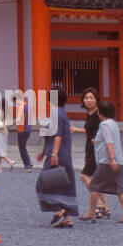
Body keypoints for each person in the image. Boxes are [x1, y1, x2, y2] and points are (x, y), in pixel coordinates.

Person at [35, 82, 79, 228]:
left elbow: (58, 136)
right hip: (61, 154)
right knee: (60, 186)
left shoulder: (56, 114)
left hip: (58, 156)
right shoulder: (60, 113)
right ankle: (67, 219)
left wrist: (53, 154)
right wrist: (43, 151)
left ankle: (59, 211)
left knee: (42, 184)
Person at [85, 102, 123, 223]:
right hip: (119, 161)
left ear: (100, 113)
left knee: (94, 186)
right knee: (119, 189)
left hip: (107, 162)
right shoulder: (114, 124)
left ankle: (92, 212)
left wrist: (111, 159)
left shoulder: (104, 125)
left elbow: (109, 142)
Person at [72, 87, 109, 219]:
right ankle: (106, 207)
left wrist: (99, 141)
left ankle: (98, 204)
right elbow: (89, 131)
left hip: (96, 149)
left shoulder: (99, 114)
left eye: (91, 98)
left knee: (84, 176)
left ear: (96, 99)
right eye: (86, 98)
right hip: (90, 147)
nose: (88, 100)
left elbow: (105, 130)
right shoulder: (89, 113)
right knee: (96, 178)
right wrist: (77, 129)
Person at [12, 92, 34, 171]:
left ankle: (27, 165)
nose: (15, 104)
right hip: (28, 129)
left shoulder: (21, 106)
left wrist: (9, 124)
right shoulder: (27, 106)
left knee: (22, 148)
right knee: (23, 147)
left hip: (22, 129)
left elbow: (18, 119)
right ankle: (28, 162)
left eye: (14, 102)